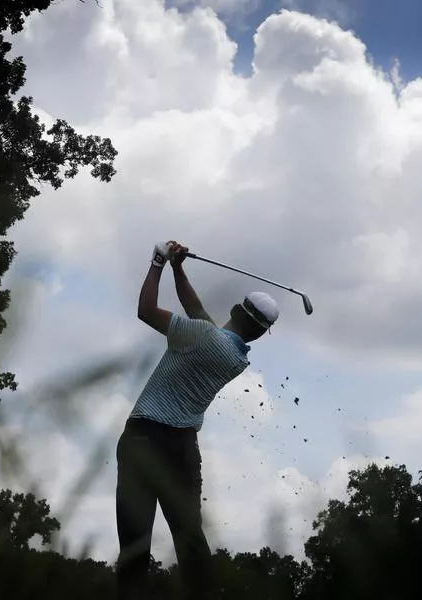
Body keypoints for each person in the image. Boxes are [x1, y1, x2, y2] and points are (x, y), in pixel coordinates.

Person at [115, 240, 279, 600]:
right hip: (182, 449)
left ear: (236, 308)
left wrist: (159, 261)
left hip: (142, 439)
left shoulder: (201, 334)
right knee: (189, 540)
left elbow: (146, 310)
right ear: (262, 334)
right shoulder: (235, 358)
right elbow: (197, 310)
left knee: (134, 543)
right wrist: (179, 269)